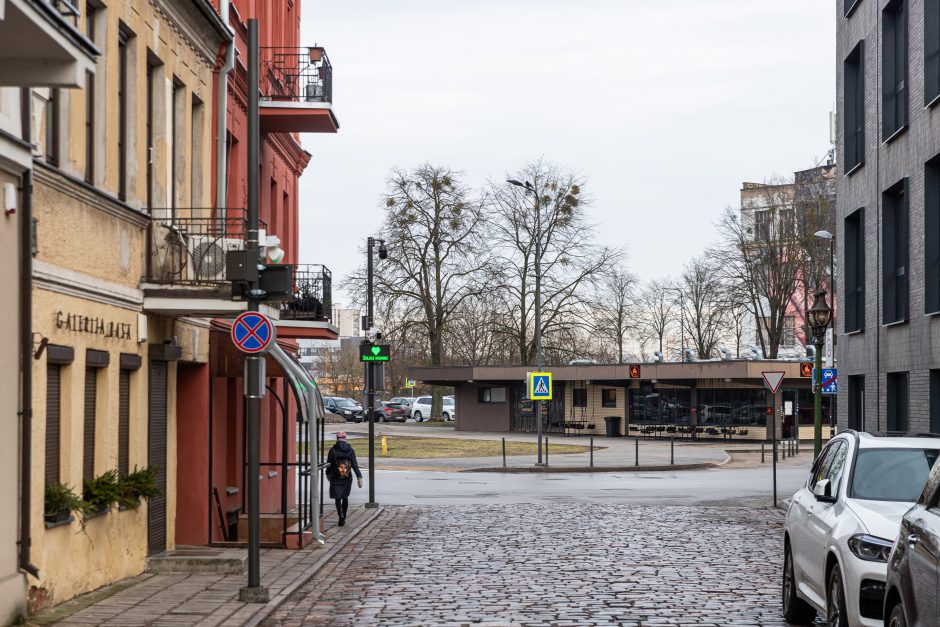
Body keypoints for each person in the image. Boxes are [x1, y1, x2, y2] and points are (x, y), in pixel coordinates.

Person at [326, 432, 362, 526]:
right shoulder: (350, 450)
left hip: (335, 477)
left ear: (337, 438)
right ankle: (344, 517)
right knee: (345, 497)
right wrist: (359, 476)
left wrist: (328, 474)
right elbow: (354, 465)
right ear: (346, 438)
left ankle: (340, 515)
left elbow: (329, 464)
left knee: (337, 498)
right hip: (347, 478)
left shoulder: (333, 450)